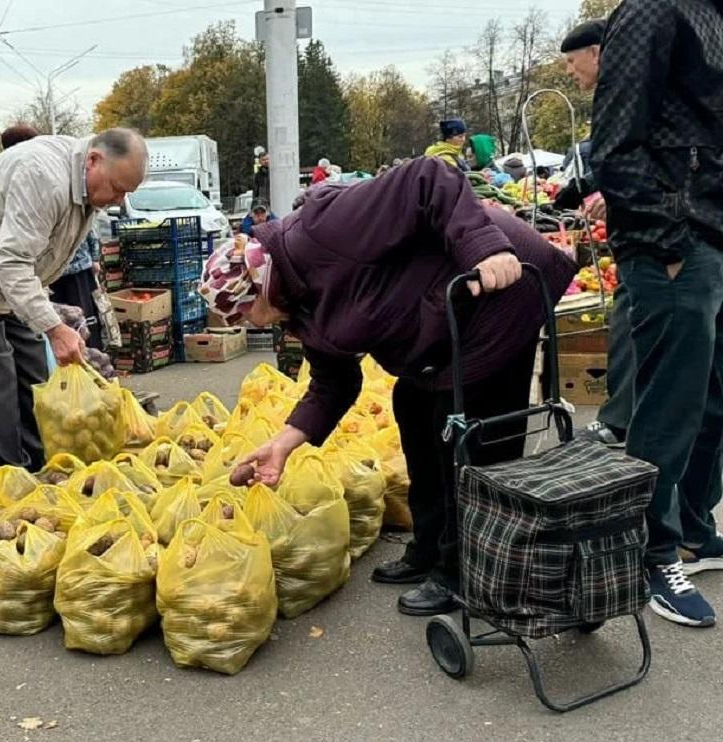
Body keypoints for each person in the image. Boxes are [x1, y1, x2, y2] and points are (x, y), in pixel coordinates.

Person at [198, 158, 576, 615]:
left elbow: (429, 177)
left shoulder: (322, 231)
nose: (247, 326)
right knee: (411, 404)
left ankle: (464, 570)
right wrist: (282, 445)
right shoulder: (298, 305)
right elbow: (332, 383)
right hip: (445, 313)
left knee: (463, 427)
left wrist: (484, 248)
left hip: (501, 283)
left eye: (243, 316)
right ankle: (431, 546)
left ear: (259, 291)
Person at [592, 0, 723, 627]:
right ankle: (649, 553)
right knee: (668, 409)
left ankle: (695, 529)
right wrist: (665, 241)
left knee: (710, 400)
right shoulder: (654, 8)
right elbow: (614, 143)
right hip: (676, 241)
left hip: (710, 236)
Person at [0, 128, 147, 468]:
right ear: (94, 159)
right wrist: (55, 328)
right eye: (116, 188)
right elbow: (11, 263)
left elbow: (29, 260)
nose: (117, 201)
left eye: (126, 193)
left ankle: (42, 465)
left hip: (10, 278)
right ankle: (9, 479)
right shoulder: (44, 177)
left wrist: (46, 321)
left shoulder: (87, 183)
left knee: (34, 370)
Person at [549, 19, 631, 449]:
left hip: (656, 239)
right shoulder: (621, 89)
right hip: (652, 235)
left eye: (571, 60)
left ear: (596, 52)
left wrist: (606, 191)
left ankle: (620, 423)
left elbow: (632, 154)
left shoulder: (624, 89)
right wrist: (587, 186)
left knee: (629, 318)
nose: (568, 71)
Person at [48, 230, 103, 350]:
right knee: (59, 317)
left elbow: (90, 231)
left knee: (83, 317)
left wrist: (95, 258)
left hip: (78, 270)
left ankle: (91, 354)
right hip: (52, 273)